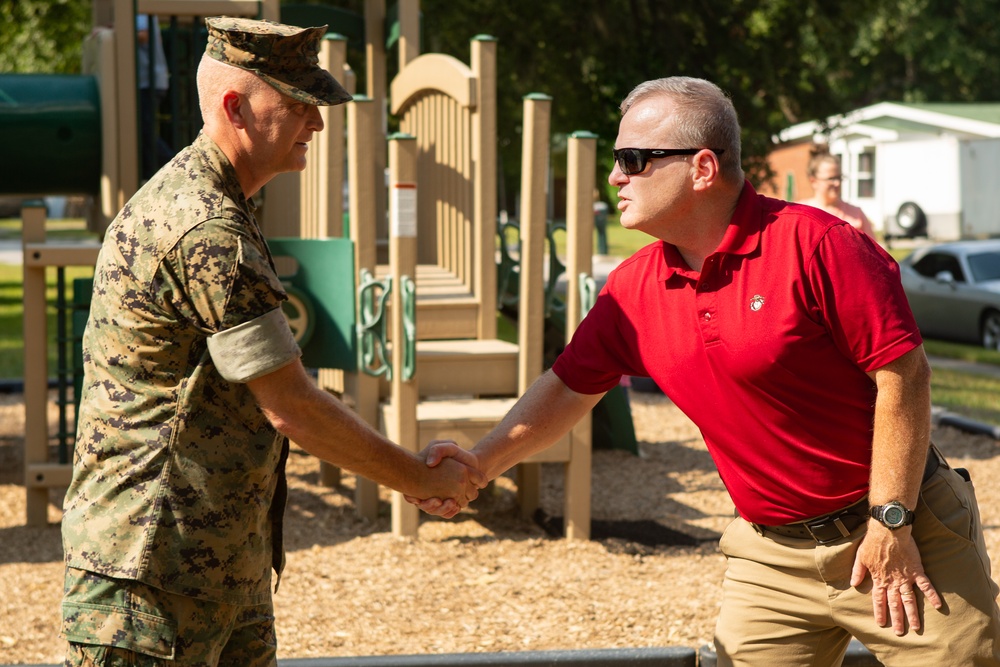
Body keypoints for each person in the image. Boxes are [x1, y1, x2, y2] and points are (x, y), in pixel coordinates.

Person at [412, 77, 1000, 665]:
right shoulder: (633, 288)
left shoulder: (821, 246)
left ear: (701, 168)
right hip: (768, 558)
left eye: (633, 160)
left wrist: (891, 521)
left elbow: (905, 377)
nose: (615, 177)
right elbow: (567, 387)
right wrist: (481, 464)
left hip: (902, 531)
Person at [61, 18, 485, 666]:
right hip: (151, 581)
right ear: (235, 108)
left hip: (213, 566)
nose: (315, 123)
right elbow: (291, 405)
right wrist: (417, 477)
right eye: (296, 105)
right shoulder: (205, 228)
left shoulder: (213, 204)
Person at [799, 145, 876, 238]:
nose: (837, 183)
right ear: (813, 181)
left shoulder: (856, 214)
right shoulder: (801, 212)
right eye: (831, 179)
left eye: (839, 177)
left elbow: (873, 250)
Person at [136, 14, 175, 179]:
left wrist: (116, 32)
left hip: (149, 82)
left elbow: (144, 35)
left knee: (146, 131)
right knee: (143, 130)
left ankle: (175, 166)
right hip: (148, 81)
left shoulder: (141, 10)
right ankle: (152, 172)